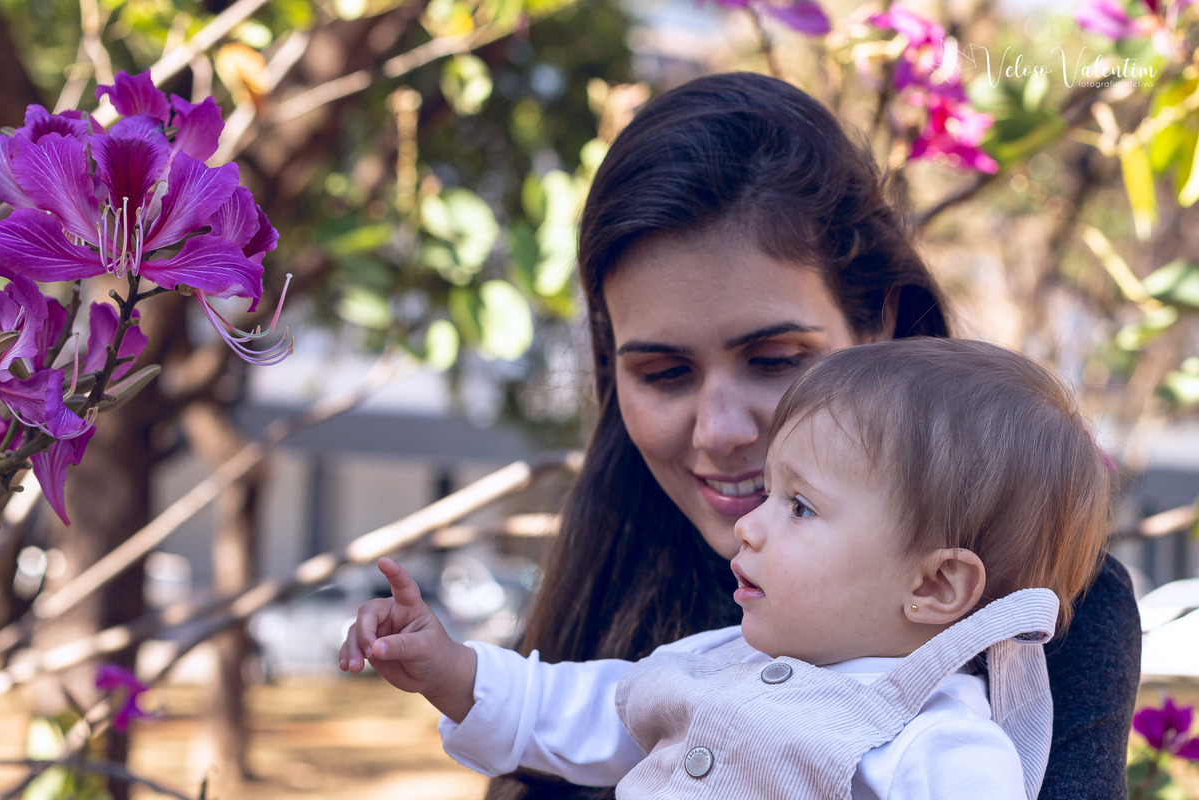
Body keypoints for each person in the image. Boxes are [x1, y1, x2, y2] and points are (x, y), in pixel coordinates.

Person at [339, 72, 1140, 799]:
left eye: (776, 359)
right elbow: (568, 709)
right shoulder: (620, 583)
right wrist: (448, 668)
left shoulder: (1030, 635)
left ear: (882, 326)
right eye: (662, 373)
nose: (721, 432)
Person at [340, 338, 1110, 799]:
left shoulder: (943, 748)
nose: (750, 523)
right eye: (770, 494)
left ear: (936, 585)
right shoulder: (716, 663)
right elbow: (577, 705)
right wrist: (446, 667)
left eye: (799, 507)